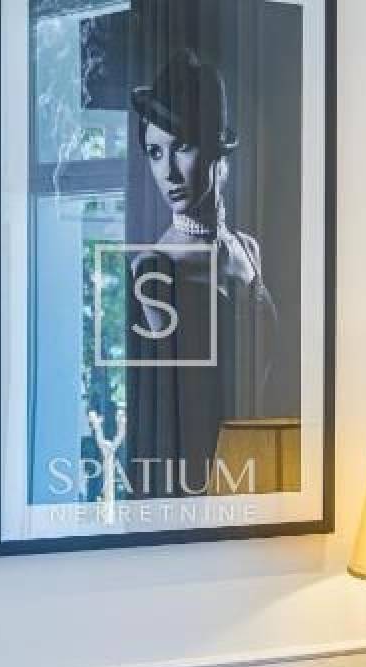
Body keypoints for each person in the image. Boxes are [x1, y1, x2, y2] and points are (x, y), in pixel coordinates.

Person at [127, 48, 278, 498]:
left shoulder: (248, 249)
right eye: (155, 152)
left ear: (215, 147)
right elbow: (167, 422)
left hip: (266, 474)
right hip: (198, 487)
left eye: (182, 147)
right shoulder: (154, 270)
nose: (167, 171)